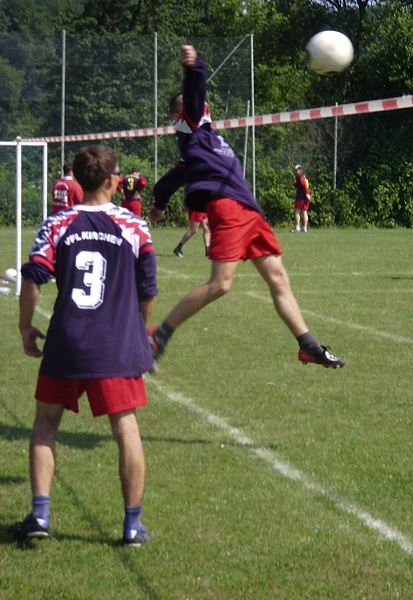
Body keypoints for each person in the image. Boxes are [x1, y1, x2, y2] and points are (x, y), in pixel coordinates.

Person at [148, 45, 345, 369]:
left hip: (249, 213)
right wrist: (194, 65)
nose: (201, 106)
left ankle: (308, 345)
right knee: (220, 284)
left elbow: (175, 176)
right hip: (228, 209)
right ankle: (158, 336)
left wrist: (159, 203)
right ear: (182, 115)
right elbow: (195, 88)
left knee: (278, 278)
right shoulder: (193, 128)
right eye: (193, 104)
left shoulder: (203, 141)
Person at [16, 145, 157, 546]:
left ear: (76, 180)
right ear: (114, 180)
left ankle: (40, 515)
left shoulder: (57, 224)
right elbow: (148, 290)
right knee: (125, 428)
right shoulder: (135, 226)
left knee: (46, 424)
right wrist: (139, 330)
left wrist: (25, 326)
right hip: (115, 345)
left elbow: (33, 278)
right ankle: (132, 525)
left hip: (67, 341)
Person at [291, 164, 311, 233]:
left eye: (296, 170)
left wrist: (307, 194)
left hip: (301, 197)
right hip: (305, 197)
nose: (295, 171)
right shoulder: (302, 176)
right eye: (295, 170)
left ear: (300, 170)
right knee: (304, 212)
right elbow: (299, 185)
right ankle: (304, 228)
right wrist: (293, 184)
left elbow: (304, 185)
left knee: (296, 211)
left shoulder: (300, 177)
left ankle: (297, 228)